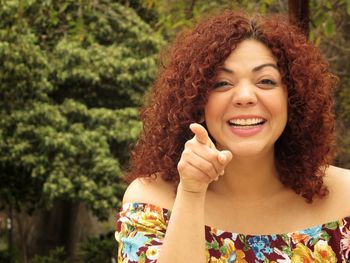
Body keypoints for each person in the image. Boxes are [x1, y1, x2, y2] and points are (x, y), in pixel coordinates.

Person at [115, 10, 350, 262]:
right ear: (197, 103)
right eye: (222, 83)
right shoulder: (149, 201)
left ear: (293, 99)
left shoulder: (345, 198)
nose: (245, 96)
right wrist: (191, 193)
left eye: (266, 81)